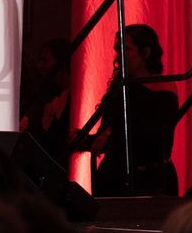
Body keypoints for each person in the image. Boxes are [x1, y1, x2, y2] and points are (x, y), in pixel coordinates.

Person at [76, 23, 180, 196]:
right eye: (119, 50)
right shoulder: (122, 87)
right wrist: (88, 140)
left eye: (126, 49)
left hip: (150, 178)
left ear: (145, 52)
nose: (119, 56)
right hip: (117, 178)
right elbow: (111, 129)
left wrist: (107, 138)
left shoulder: (164, 89)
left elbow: (151, 135)